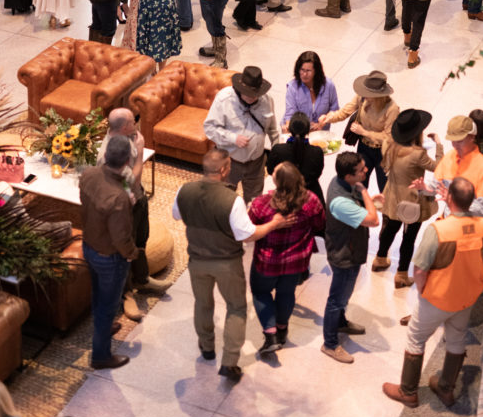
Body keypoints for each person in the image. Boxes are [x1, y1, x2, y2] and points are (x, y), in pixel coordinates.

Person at [173, 147, 293, 383]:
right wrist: (274, 224)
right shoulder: (232, 200)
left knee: (203, 303)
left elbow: (177, 215)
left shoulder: (183, 190)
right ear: (225, 169)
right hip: (226, 263)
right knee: (236, 308)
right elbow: (246, 234)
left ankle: (207, 348)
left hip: (197, 260)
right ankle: (229, 362)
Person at [382, 176, 483, 408]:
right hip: (466, 297)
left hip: (438, 296)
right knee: (456, 338)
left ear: (450, 198)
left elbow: (420, 269)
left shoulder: (440, 230)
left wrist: (423, 290)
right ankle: (446, 388)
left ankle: (408, 392)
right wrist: (474, 274)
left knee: (416, 337)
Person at [97, 107, 171, 323]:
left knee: (141, 239)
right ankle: (126, 294)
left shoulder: (127, 138)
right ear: (124, 127)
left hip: (136, 200)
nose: (137, 123)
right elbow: (132, 180)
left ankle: (141, 279)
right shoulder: (109, 153)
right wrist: (138, 153)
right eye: (133, 120)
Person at [248, 160, 326, 354]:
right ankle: (282, 329)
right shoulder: (312, 200)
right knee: (286, 293)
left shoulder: (261, 204)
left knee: (260, 293)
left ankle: (271, 333)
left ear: (277, 181)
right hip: (296, 261)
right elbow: (320, 224)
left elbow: (249, 230)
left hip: (267, 262)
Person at [79, 135, 138, 370]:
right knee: (108, 305)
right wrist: (132, 253)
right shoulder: (119, 197)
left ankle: (103, 327)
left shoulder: (88, 174)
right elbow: (121, 238)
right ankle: (101, 356)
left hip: (89, 246)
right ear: (126, 162)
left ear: (105, 156)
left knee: (97, 293)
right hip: (110, 257)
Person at [321, 151, 382, 364]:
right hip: (344, 255)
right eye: (361, 170)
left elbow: (358, 209)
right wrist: (365, 192)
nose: (366, 171)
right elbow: (374, 221)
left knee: (343, 297)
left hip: (350, 249)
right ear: (348, 176)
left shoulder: (339, 182)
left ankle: (340, 323)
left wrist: (368, 199)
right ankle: (329, 344)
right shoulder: (341, 201)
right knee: (337, 299)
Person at [372, 108, 443, 287]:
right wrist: (439, 145)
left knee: (390, 228)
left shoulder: (389, 144)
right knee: (408, 237)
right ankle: (401, 275)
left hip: (392, 194)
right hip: (411, 200)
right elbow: (439, 168)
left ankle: (380, 258)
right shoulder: (418, 154)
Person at [204, 65, 280, 203]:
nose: (252, 97)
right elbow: (209, 128)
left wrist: (276, 154)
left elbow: (273, 130)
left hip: (256, 164)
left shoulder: (267, 101)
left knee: (254, 203)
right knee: (224, 200)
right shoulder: (224, 99)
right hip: (229, 162)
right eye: (249, 93)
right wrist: (233, 138)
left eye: (255, 94)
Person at [321, 70, 398, 192]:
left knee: (385, 188)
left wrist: (364, 132)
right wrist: (329, 118)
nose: (364, 94)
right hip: (364, 147)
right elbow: (345, 111)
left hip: (383, 152)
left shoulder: (392, 109)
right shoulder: (362, 97)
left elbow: (389, 137)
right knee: (359, 184)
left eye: (367, 93)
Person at [413, 114, 483, 217]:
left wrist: (454, 200)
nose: (455, 145)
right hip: (449, 221)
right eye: (453, 141)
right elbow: (436, 186)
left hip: (468, 228)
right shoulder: (449, 157)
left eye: (460, 141)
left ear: (472, 137)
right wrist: (424, 187)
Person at [267, 112, 326, 206]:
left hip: (284, 197)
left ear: (289, 129)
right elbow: (318, 173)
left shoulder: (278, 150)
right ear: (308, 131)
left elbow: (270, 170)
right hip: (312, 197)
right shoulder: (317, 151)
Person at [283, 50, 339, 131]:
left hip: (321, 133)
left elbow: (335, 110)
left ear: (316, 71)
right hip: (300, 132)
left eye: (308, 71)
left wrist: (323, 123)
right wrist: (288, 126)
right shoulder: (292, 87)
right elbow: (290, 114)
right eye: (302, 70)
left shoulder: (329, 85)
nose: (304, 74)